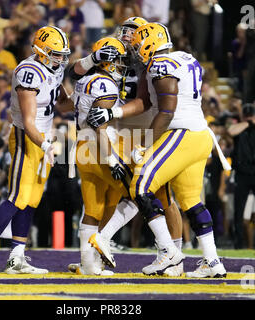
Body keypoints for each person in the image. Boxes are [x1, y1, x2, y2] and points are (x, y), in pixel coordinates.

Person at [87, 22, 229, 278]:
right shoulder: (184, 57)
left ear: (151, 43)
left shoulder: (160, 64)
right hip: (200, 136)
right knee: (192, 202)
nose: (138, 49)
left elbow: (166, 110)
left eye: (141, 44)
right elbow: (146, 101)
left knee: (139, 186)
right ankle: (212, 261)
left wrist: (145, 144)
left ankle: (168, 252)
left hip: (181, 134)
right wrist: (114, 111)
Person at [71, 17, 185, 276]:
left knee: (159, 194)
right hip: (111, 132)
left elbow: (144, 102)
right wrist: (92, 58)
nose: (127, 36)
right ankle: (95, 254)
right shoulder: (111, 51)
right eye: (125, 31)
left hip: (141, 130)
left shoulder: (148, 61)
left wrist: (114, 113)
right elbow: (73, 74)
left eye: (134, 33)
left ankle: (171, 255)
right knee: (113, 196)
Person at [0, 25, 72, 275]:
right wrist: (46, 144)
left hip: (45, 137)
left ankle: (16, 258)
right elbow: (28, 123)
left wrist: (84, 96)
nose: (60, 58)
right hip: (27, 137)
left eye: (62, 54)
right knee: (17, 197)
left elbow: (65, 105)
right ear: (40, 50)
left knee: (32, 200)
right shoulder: (29, 72)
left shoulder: (54, 69)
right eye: (55, 53)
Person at [68, 36, 131, 275]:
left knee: (94, 209)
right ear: (107, 61)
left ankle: (88, 264)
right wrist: (112, 159)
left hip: (83, 149)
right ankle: (103, 240)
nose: (122, 65)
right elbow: (100, 126)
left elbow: (68, 105)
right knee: (137, 194)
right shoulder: (106, 85)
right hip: (100, 149)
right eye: (119, 60)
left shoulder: (85, 80)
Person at [227, 103, 255, 249]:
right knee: (239, 211)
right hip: (242, 174)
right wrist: (248, 122)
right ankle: (238, 244)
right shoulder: (241, 126)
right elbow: (231, 132)